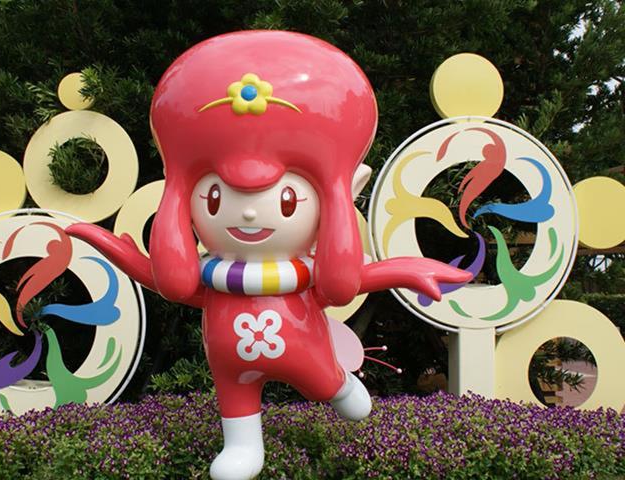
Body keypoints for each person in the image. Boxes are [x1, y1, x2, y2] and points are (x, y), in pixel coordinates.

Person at [68, 30, 471, 480]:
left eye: (285, 199)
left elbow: (355, 280)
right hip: (228, 354)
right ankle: (243, 443)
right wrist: (111, 246)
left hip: (305, 342)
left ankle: (339, 386)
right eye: (215, 196)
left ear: (341, 194)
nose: (249, 213)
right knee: (235, 391)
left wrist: (405, 270)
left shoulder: (302, 274)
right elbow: (164, 280)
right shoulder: (214, 278)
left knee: (321, 379)